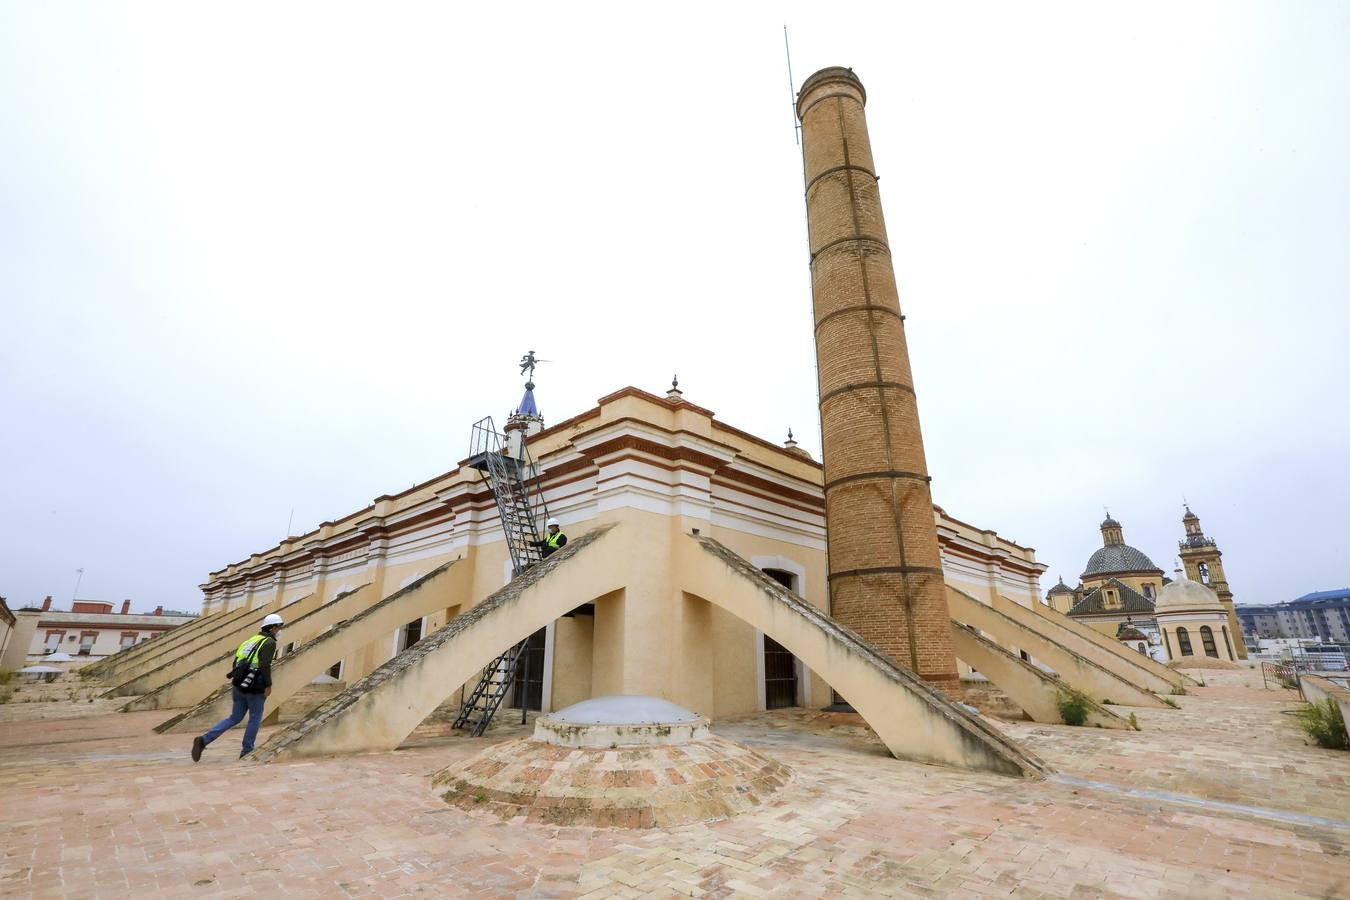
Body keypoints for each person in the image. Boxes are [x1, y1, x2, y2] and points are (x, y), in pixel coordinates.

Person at [191, 614, 283, 761]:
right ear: (273, 628)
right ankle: (247, 750)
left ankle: (204, 740)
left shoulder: (250, 641)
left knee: (234, 717)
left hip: (239, 685)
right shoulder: (269, 642)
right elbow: (265, 665)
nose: (279, 630)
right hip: (255, 686)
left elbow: (235, 663)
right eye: (279, 627)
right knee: (255, 718)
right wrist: (268, 685)